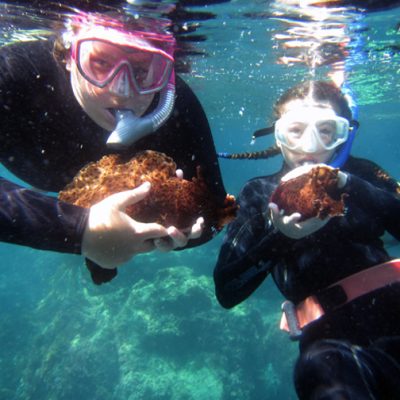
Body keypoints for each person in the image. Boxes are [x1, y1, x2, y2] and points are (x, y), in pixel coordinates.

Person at [0, 8, 227, 284]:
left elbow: (217, 213)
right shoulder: (13, 73)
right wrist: (80, 231)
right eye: (102, 62)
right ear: (69, 55)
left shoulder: (180, 107)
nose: (122, 91)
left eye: (143, 70)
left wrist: (167, 231)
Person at [214, 80, 400, 399]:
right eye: (295, 131)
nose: (310, 146)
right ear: (278, 135)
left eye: (326, 130)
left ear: (345, 134)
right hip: (331, 346)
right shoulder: (258, 193)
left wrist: (348, 183)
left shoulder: (365, 175)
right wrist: (281, 237)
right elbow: (227, 290)